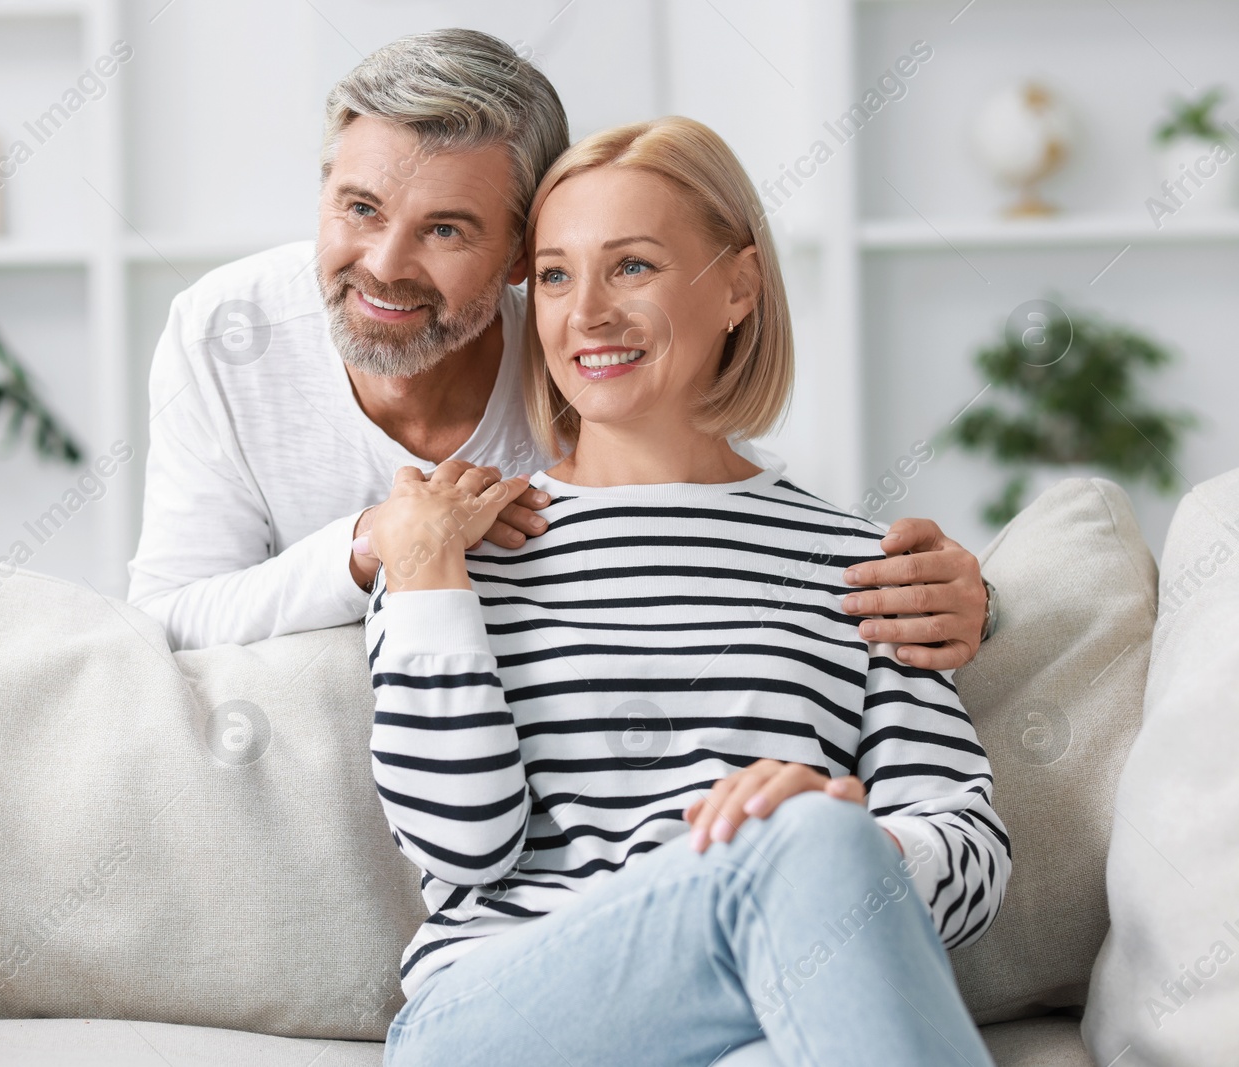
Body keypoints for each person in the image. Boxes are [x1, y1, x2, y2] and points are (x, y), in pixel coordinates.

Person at [362, 115, 1010, 1067]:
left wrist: (853, 844)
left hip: (763, 1016)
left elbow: (970, 848)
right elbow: (460, 851)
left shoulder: (865, 563)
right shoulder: (457, 551)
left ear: (739, 285)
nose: (585, 313)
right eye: (553, 274)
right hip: (496, 1014)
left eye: (632, 266)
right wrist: (421, 578)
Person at [125, 29, 995, 664]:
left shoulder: (575, 344)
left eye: (446, 229)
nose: (384, 266)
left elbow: (716, 526)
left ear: (517, 254)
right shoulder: (222, 330)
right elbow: (162, 622)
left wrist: (966, 601)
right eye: (359, 209)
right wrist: (374, 542)